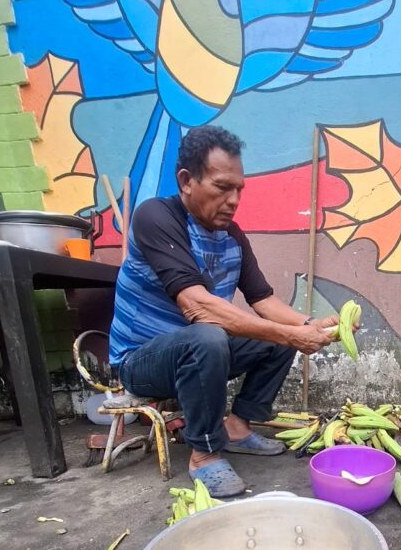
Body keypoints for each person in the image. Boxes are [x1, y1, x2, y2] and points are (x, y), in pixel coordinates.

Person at [108, 126, 337, 498]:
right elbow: (197, 306)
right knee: (212, 335)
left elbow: (264, 302)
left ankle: (237, 427)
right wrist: (290, 332)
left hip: (196, 350)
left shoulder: (232, 236)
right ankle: (204, 454)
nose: (233, 200)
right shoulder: (155, 217)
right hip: (141, 361)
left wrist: (314, 325)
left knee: (274, 339)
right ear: (186, 181)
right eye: (221, 187)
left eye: (239, 190)